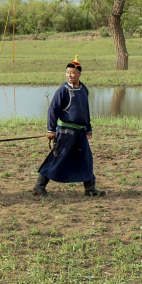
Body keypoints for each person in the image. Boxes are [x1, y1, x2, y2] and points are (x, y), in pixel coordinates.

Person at [35, 58, 101, 197]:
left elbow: (86, 110)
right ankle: (39, 186)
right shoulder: (63, 90)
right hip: (66, 131)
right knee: (59, 157)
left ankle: (90, 188)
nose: (69, 75)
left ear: (79, 74)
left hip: (80, 132)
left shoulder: (84, 90)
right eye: (67, 72)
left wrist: (88, 128)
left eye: (72, 72)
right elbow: (53, 109)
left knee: (86, 157)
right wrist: (51, 130)